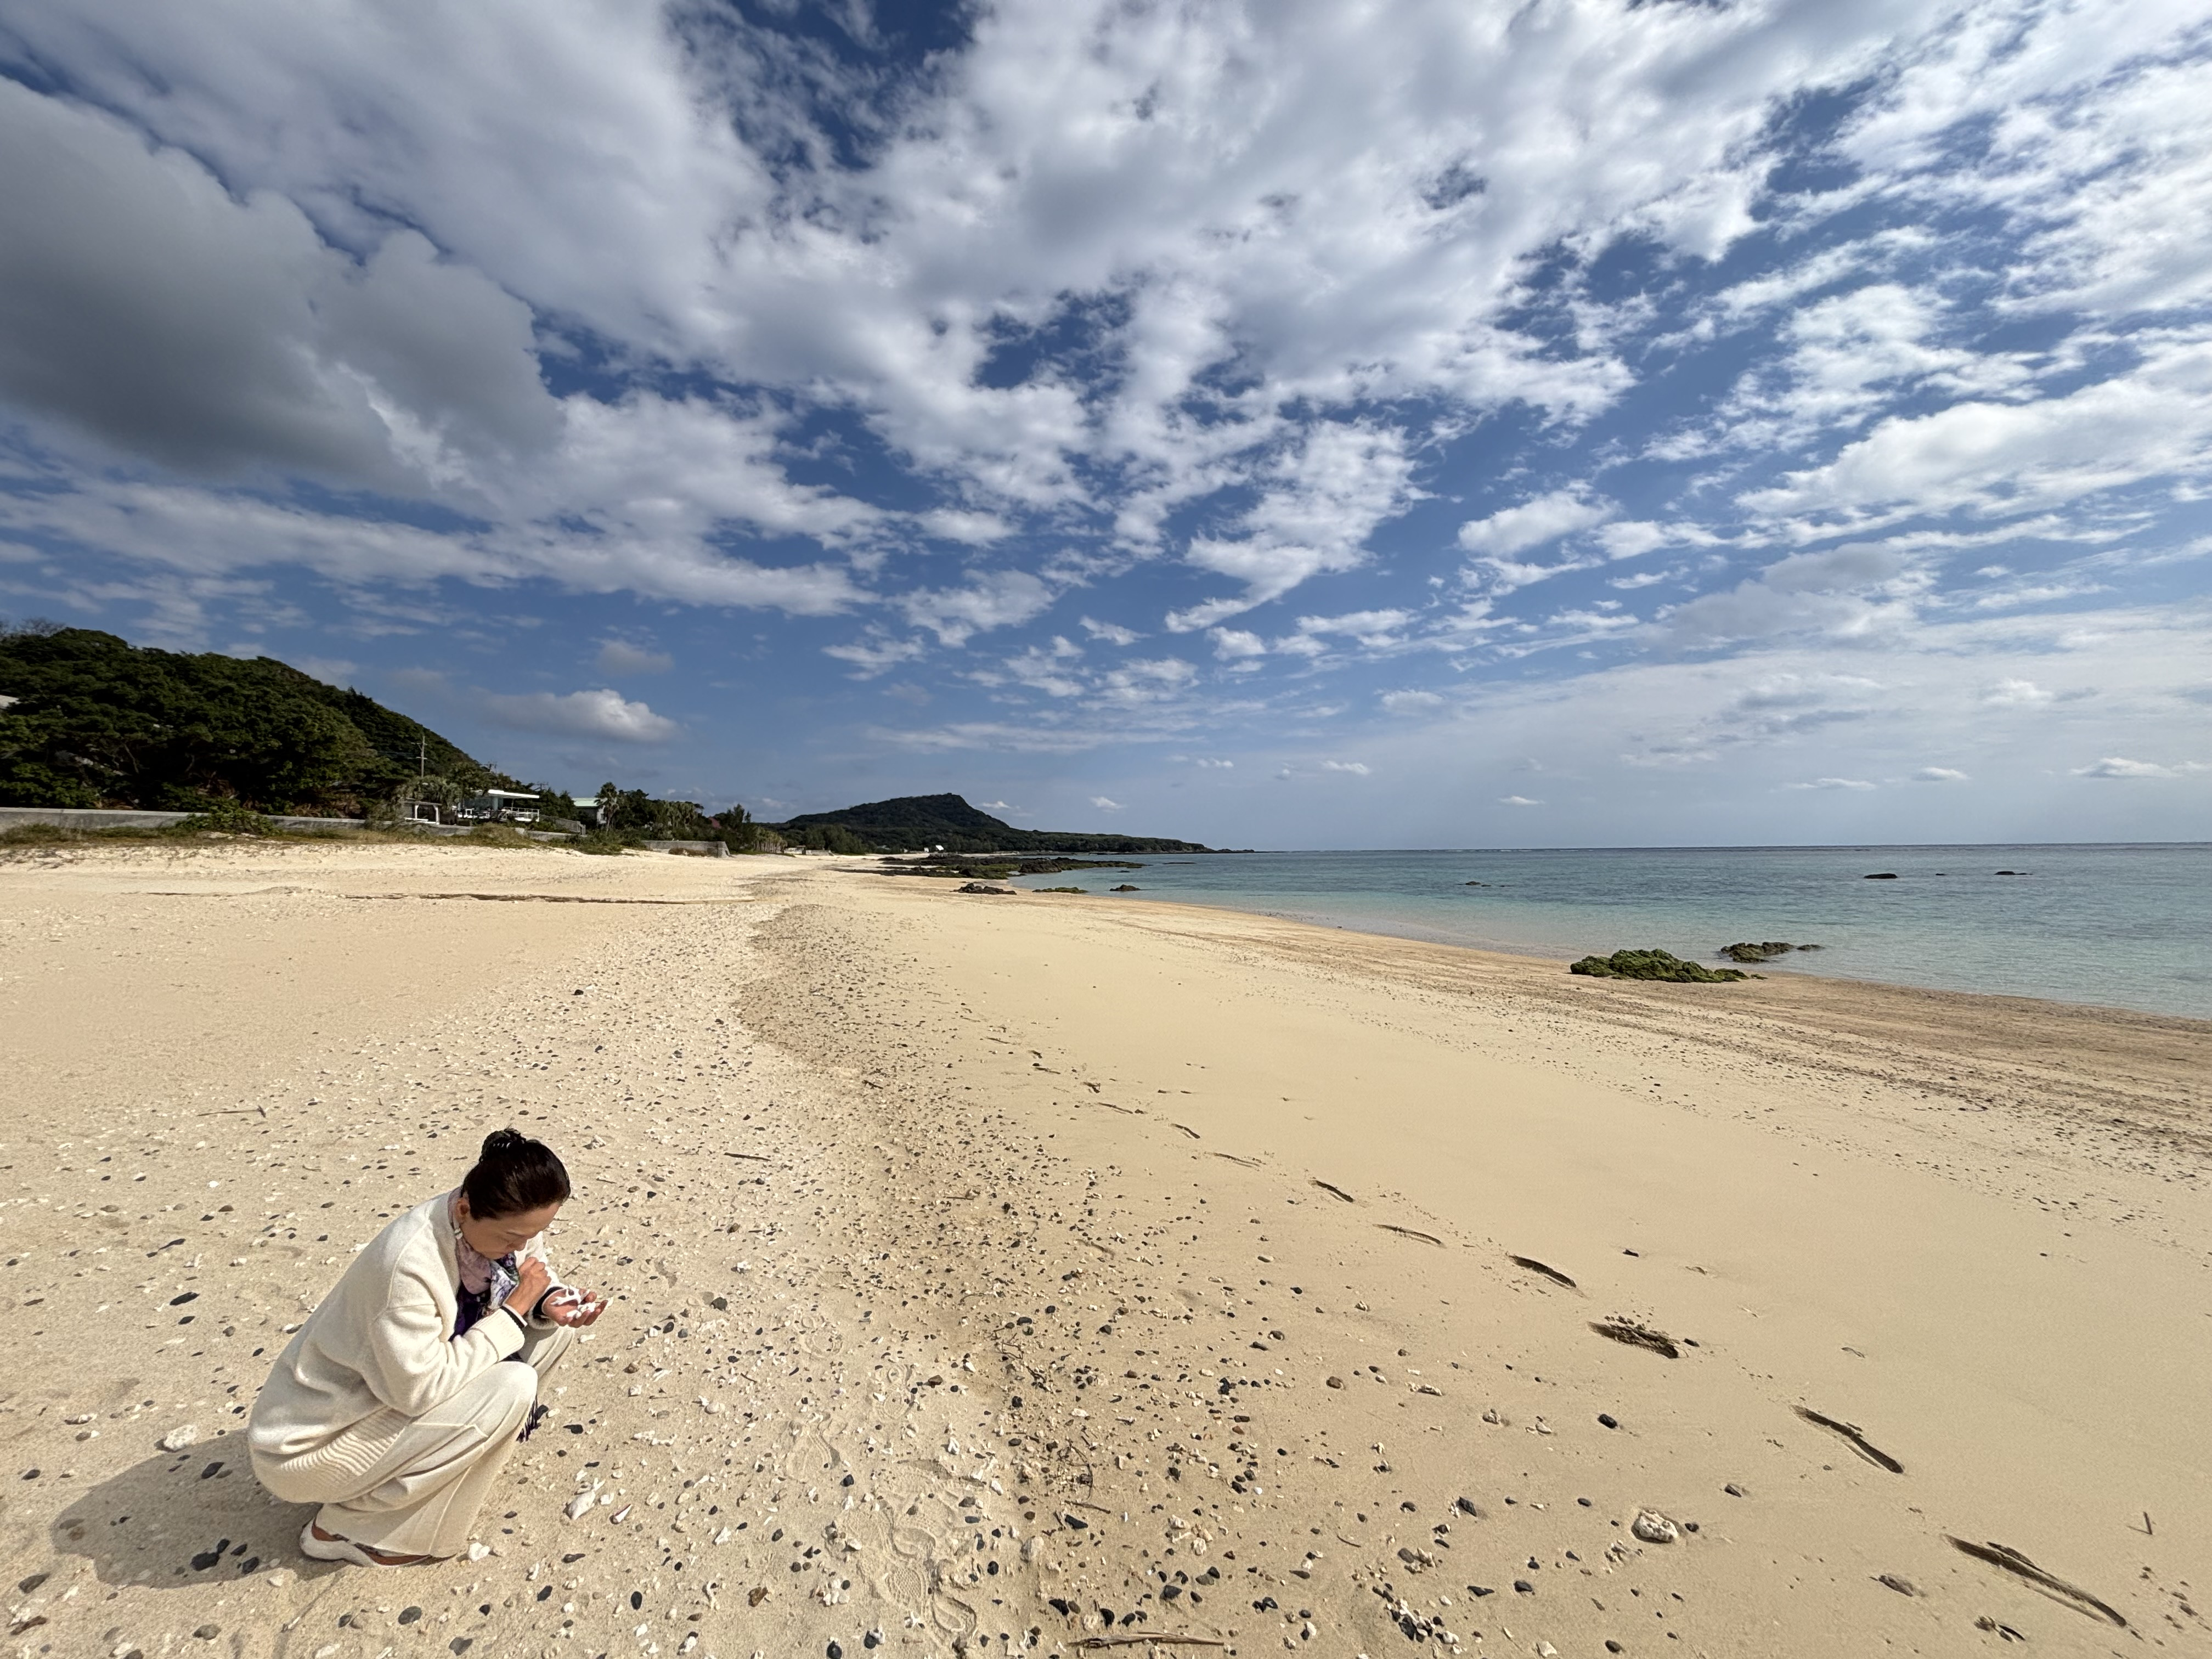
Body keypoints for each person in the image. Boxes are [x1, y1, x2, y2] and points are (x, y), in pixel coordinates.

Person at [248, 1128, 606, 1566]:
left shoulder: (491, 1222)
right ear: (464, 1208)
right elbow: (419, 1391)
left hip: (382, 1401)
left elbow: (528, 1269)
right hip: (311, 1447)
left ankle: (458, 1451)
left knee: (553, 1332)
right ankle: (347, 1528)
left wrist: (547, 1301)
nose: (520, 1248)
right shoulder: (408, 1265)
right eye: (512, 1238)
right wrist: (515, 1311)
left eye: (535, 1234)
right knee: (512, 1386)